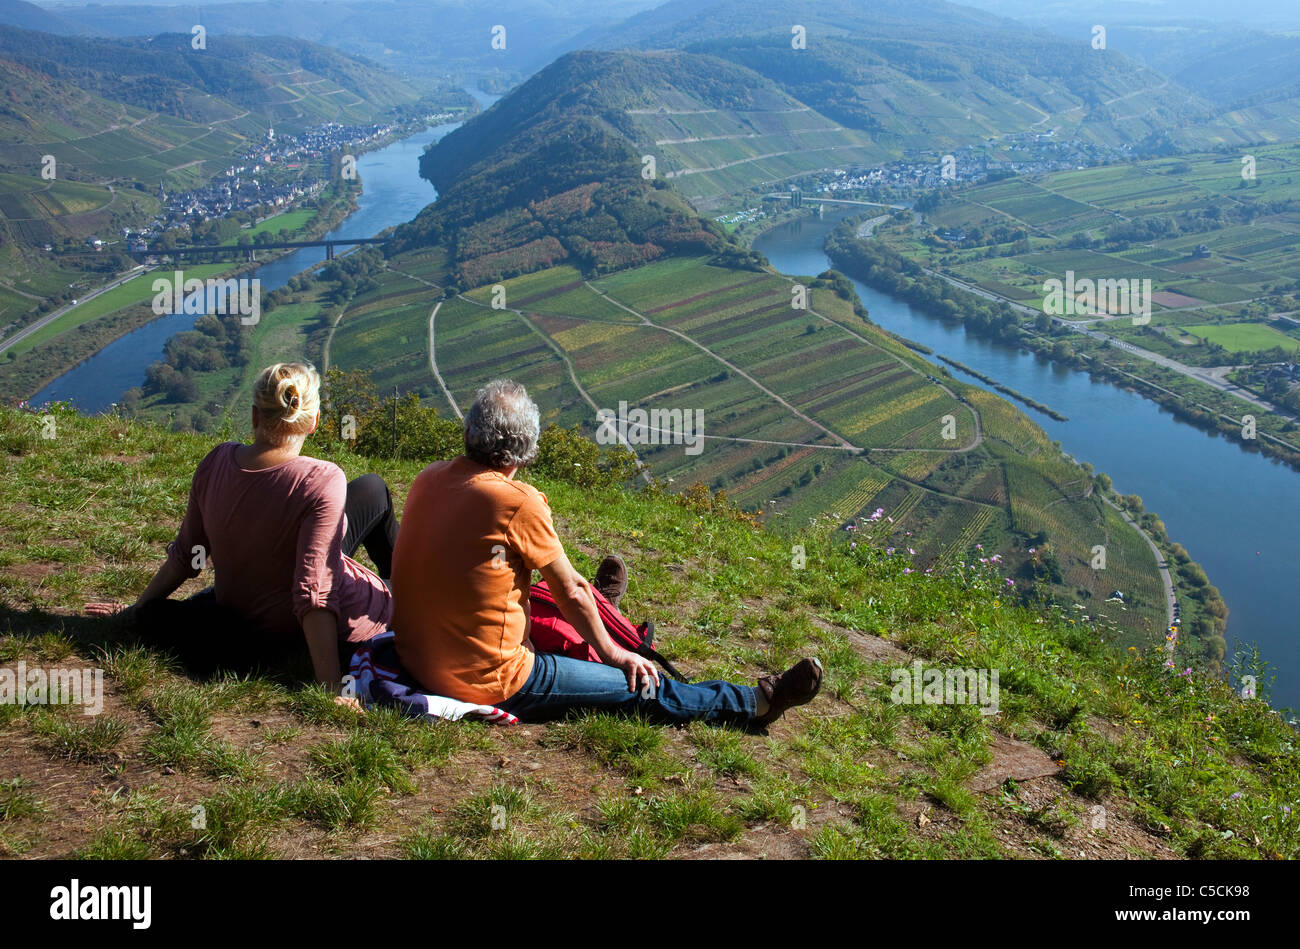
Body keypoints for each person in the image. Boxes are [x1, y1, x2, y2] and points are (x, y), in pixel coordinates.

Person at [389, 379, 822, 728]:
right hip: (492, 681)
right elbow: (572, 592)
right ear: (527, 449)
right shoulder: (516, 501)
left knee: (533, 591)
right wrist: (619, 655)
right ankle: (755, 704)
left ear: (468, 431)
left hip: (417, 660)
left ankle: (606, 611)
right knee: (642, 684)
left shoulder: (428, 478)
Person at [86, 363, 397, 696]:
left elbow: (189, 556)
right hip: (308, 627)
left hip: (240, 610)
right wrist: (332, 689)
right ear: (314, 422)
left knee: (372, 489)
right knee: (405, 581)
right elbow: (314, 593)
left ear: (254, 416)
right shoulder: (321, 480)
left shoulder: (217, 461)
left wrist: (140, 609)